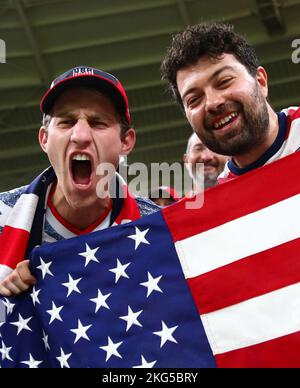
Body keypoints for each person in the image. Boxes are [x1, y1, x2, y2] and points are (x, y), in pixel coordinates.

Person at [0, 66, 159, 296]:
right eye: (66, 121)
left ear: (126, 142)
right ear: (44, 139)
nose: (81, 136)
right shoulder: (3, 217)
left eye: (98, 123)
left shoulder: (158, 228)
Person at [161, 23, 300, 183]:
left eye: (224, 81)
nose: (212, 103)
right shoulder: (222, 201)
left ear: (261, 82)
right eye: (194, 99)